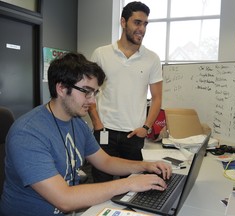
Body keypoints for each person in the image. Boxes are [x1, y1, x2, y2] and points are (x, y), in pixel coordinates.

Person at [0, 52, 172, 216]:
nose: (92, 101)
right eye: (86, 91)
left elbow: (105, 161)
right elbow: (64, 199)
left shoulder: (77, 123)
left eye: (95, 93)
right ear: (61, 88)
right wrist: (130, 183)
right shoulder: (28, 134)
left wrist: (145, 166)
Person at [89, 1, 163, 183]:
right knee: (101, 184)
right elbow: (89, 93)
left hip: (134, 135)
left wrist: (146, 128)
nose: (142, 29)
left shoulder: (152, 59)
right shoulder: (101, 54)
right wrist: (97, 123)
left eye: (145, 24)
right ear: (123, 22)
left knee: (133, 186)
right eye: (137, 22)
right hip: (105, 132)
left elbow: (157, 98)